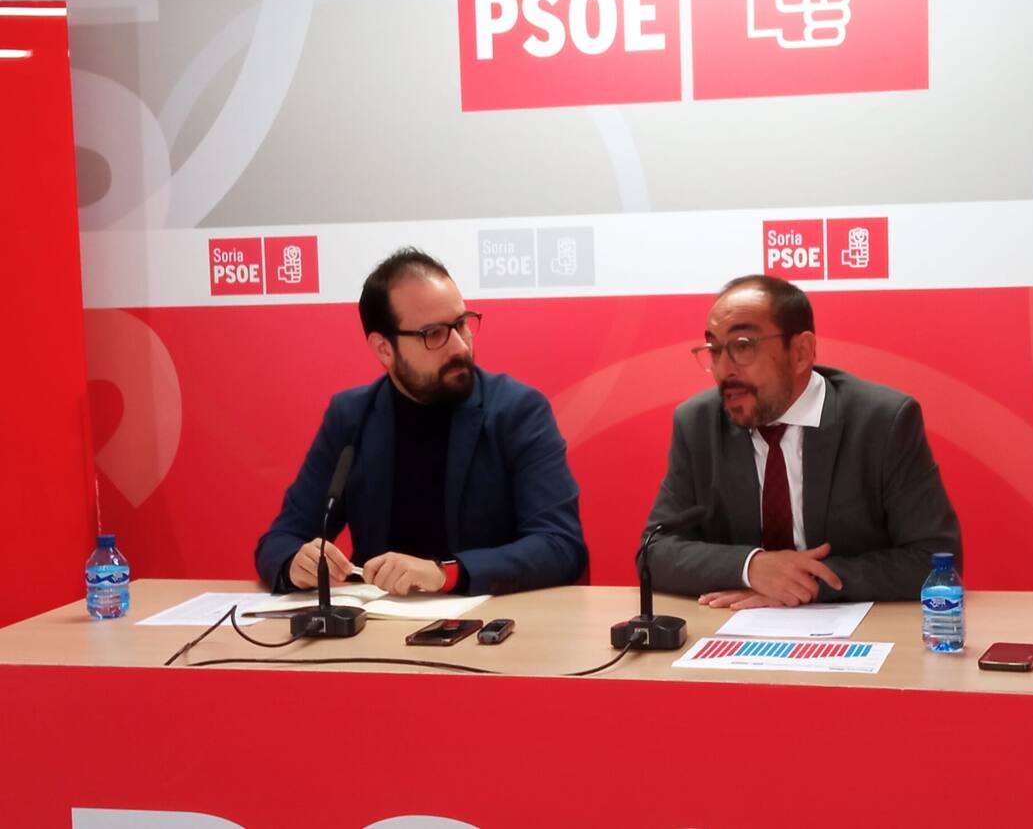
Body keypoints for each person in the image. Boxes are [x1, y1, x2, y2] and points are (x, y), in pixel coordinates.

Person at [255, 247, 587, 597]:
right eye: (434, 334)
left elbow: (560, 545)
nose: (459, 346)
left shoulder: (518, 411)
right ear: (384, 349)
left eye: (462, 323)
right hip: (378, 619)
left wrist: (446, 574)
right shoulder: (351, 416)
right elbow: (281, 539)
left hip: (489, 618)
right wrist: (295, 562)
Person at [642, 275, 961, 608]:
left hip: (860, 626)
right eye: (715, 350)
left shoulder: (882, 422)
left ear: (801, 352)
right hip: (735, 626)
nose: (723, 370)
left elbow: (934, 558)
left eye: (742, 346)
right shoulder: (698, 423)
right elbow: (655, 550)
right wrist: (751, 567)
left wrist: (805, 583)